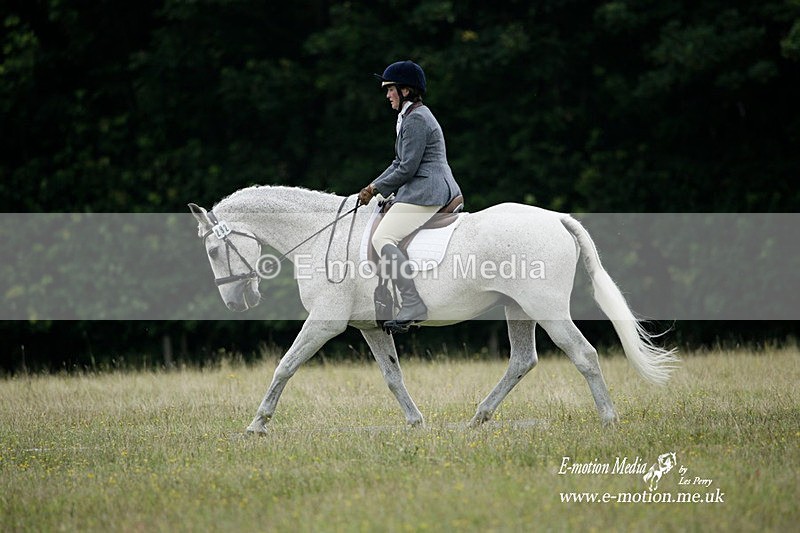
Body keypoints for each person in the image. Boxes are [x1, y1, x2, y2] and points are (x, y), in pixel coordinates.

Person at [358, 60, 462, 332]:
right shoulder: (410, 115)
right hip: (422, 188)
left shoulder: (416, 118)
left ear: (406, 90)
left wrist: (375, 189)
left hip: (429, 191)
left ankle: (412, 301)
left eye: (390, 89)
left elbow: (407, 167)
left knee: (383, 237)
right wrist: (374, 185)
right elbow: (398, 162)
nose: (387, 95)